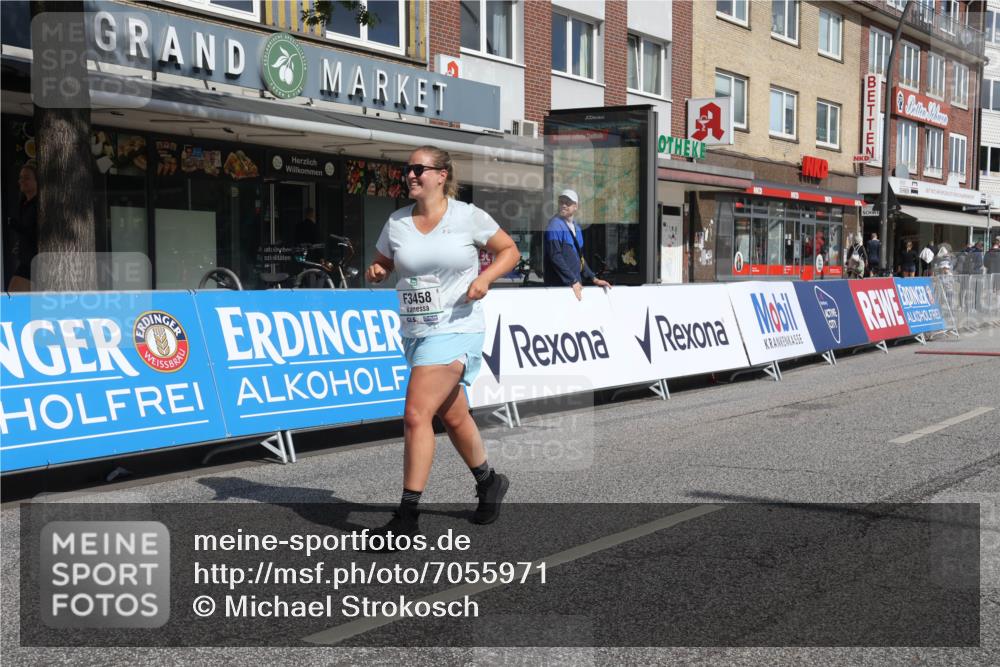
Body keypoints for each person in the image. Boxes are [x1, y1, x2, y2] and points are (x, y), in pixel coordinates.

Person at [365, 146, 520, 537]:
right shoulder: (397, 222)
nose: (411, 175)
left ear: (441, 175)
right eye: (407, 169)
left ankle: (407, 517)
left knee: (416, 413)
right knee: (453, 416)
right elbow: (383, 261)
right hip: (417, 332)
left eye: (419, 169)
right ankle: (488, 482)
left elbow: (509, 250)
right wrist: (378, 269)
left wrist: (485, 279)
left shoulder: (467, 216)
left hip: (458, 328)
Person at [543, 189, 612, 300]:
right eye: (561, 202)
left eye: (568, 202)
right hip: (559, 288)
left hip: (573, 287)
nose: (563, 205)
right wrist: (572, 281)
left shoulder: (577, 228)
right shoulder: (555, 225)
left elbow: (580, 259)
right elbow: (555, 256)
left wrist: (594, 278)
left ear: (575, 206)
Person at [5, 163, 38, 292]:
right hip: (25, 259)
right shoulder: (23, 204)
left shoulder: (38, 205)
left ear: (37, 181)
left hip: (35, 260)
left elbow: (35, 233)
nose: (22, 181)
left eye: (27, 178)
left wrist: (16, 226)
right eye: (21, 178)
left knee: (14, 292)